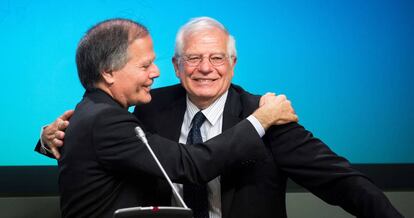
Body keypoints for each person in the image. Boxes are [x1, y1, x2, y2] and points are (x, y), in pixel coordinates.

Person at [37, 17, 403, 218]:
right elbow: (99, 126)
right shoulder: (147, 107)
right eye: (193, 58)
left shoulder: (266, 114)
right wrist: (51, 136)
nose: (205, 69)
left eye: (217, 58)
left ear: (233, 64)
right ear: (178, 66)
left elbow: (339, 180)